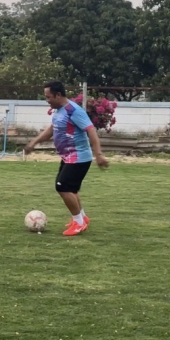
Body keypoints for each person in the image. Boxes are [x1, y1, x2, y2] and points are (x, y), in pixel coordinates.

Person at [23, 81, 110, 236]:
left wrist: (99, 155)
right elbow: (52, 129)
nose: (47, 100)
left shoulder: (73, 110)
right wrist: (34, 142)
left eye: (48, 97)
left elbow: (91, 131)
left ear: (58, 95)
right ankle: (82, 218)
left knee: (63, 187)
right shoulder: (58, 111)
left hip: (79, 157)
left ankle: (79, 223)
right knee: (71, 189)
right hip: (68, 157)